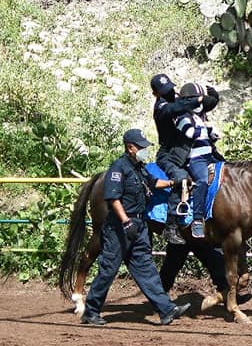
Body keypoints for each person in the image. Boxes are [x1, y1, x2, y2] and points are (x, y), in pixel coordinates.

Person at [80, 129, 191, 327]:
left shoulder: (140, 168)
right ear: (130, 147)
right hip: (120, 226)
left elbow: (154, 182)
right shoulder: (118, 168)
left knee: (146, 268)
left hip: (138, 225)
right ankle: (91, 311)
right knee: (108, 269)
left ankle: (166, 310)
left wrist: (175, 182)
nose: (144, 150)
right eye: (141, 147)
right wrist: (125, 221)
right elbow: (113, 198)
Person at [150, 74, 220, 243]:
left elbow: (203, 105)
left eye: (171, 88)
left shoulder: (177, 98)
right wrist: (198, 99)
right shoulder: (162, 108)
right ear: (155, 93)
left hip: (184, 150)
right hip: (169, 154)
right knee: (181, 178)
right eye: (165, 91)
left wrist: (212, 96)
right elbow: (178, 108)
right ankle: (171, 225)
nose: (170, 92)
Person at [173, 82, 223, 239]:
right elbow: (189, 133)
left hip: (209, 156)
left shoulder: (199, 116)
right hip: (195, 158)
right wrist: (207, 130)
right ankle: (197, 220)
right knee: (202, 181)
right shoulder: (182, 116)